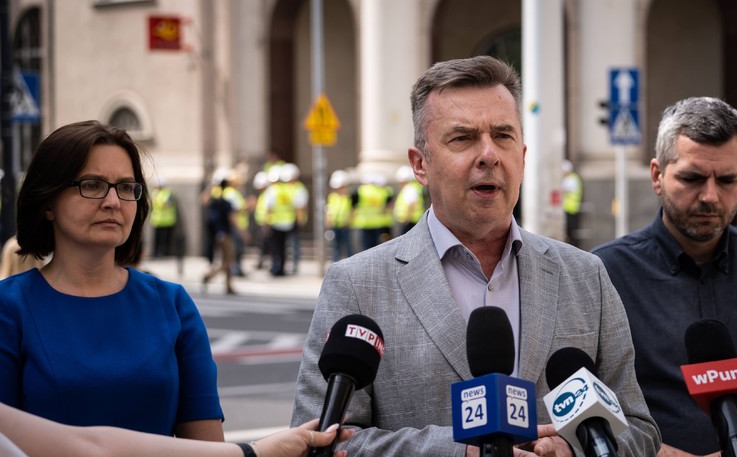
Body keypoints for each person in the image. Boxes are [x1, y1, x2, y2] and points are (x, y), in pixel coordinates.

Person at [291, 56, 660, 456]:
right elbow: (321, 441)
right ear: (420, 164)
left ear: (522, 155)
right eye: (463, 138)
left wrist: (577, 448)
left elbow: (638, 428)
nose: (489, 155)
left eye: (502, 136)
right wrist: (459, 451)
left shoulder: (585, 276)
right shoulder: (356, 285)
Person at [0, 120, 224, 440]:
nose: (113, 202)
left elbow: (208, 447)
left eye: (126, 187)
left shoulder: (172, 304)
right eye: (92, 185)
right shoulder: (9, 308)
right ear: (48, 202)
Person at [591, 97, 737, 456]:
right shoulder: (602, 275)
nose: (710, 196)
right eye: (692, 178)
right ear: (657, 176)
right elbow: (586, 415)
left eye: (727, 180)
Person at [0, 402, 352, 457]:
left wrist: (255, 453)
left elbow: (93, 446)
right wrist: (254, 453)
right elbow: (92, 448)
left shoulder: (170, 302)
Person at [202, 177, 237, 295]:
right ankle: (209, 275)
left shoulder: (215, 199)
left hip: (217, 233)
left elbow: (204, 200)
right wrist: (242, 232)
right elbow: (232, 217)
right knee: (229, 259)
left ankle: (228, 286)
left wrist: (210, 186)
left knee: (226, 259)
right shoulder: (228, 198)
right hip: (225, 233)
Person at [350, 171, 394, 251]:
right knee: (378, 247)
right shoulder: (382, 191)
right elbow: (388, 204)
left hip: (365, 223)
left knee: (366, 248)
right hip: (379, 223)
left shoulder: (361, 190)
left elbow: (353, 205)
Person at [325, 169, 354, 262]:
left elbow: (353, 210)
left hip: (346, 226)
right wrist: (328, 219)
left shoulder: (350, 197)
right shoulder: (333, 197)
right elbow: (329, 209)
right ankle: (335, 263)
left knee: (348, 246)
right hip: (335, 225)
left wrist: (349, 220)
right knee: (335, 247)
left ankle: (350, 264)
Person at [393, 164, 427, 236]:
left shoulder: (409, 188)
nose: (400, 184)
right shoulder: (412, 188)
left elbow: (412, 204)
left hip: (409, 221)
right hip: (410, 220)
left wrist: (407, 218)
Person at [150, 177, 179, 258]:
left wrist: (160, 204)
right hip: (157, 220)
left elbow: (167, 204)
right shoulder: (154, 193)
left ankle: (164, 253)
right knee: (157, 238)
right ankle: (156, 253)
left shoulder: (167, 193)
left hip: (167, 220)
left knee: (165, 239)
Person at [560, 160, 582, 247]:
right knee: (569, 232)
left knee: (570, 232)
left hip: (571, 209)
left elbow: (563, 189)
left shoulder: (571, 179)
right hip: (569, 209)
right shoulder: (572, 178)